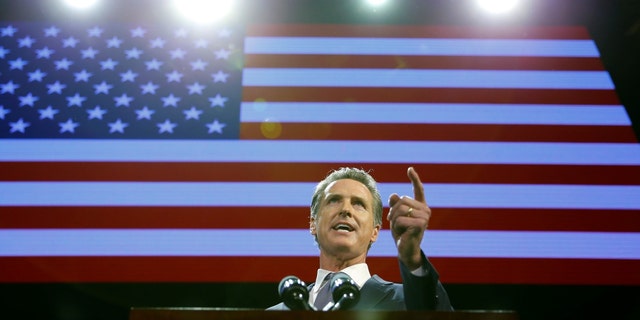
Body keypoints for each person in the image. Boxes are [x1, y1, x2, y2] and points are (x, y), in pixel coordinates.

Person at [268, 167, 453, 310]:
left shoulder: (406, 302)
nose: (345, 210)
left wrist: (412, 259)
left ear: (375, 231)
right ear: (313, 224)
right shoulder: (273, 314)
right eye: (334, 200)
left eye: (358, 204)